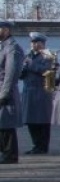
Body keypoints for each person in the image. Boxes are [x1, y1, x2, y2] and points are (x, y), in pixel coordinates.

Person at [21, 33, 56, 155]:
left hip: (41, 91)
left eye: (36, 42)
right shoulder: (29, 55)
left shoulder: (48, 55)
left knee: (42, 120)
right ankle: (36, 144)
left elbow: (47, 71)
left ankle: (43, 146)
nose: (33, 44)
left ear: (42, 43)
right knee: (30, 120)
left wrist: (30, 64)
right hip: (29, 91)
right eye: (32, 42)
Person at [0, 20, 22, 163]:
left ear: (6, 30)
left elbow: (11, 73)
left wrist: (4, 93)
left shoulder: (13, 48)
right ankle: (5, 153)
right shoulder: (4, 47)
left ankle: (10, 155)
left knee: (6, 124)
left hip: (4, 88)